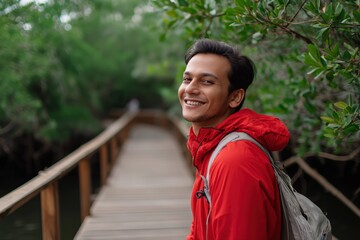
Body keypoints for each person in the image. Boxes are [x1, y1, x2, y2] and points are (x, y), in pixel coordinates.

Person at [178, 39, 290, 240]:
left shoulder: (235, 160)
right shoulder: (210, 145)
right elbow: (200, 231)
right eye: (187, 79)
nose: (190, 89)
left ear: (235, 97)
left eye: (207, 82)